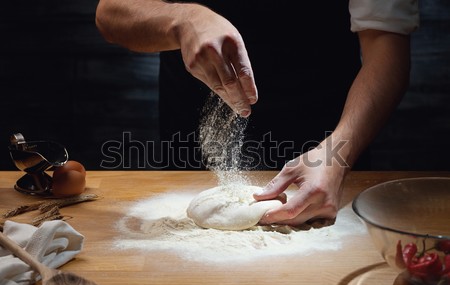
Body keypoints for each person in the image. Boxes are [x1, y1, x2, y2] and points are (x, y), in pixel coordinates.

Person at [95, 0, 419, 226]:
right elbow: (111, 13)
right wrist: (182, 20)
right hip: (189, 150)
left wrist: (339, 152)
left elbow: (387, 48)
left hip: (327, 148)